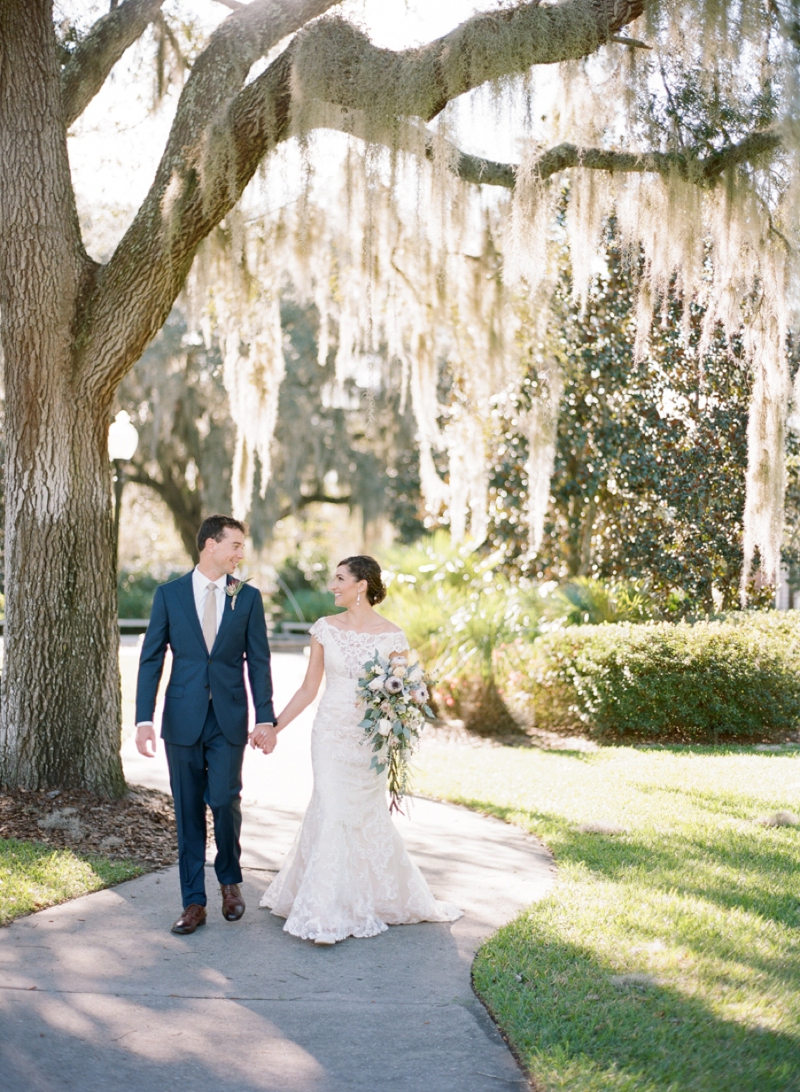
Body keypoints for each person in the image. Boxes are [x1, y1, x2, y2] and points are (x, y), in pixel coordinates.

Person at [253, 555, 462, 945]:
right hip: (330, 735)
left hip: (371, 741)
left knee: (361, 817)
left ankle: (364, 896)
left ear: (361, 584)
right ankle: (325, 914)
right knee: (331, 810)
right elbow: (308, 689)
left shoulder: (392, 636)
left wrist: (394, 715)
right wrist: (274, 726)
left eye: (340, 579)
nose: (333, 586)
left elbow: (403, 694)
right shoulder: (324, 630)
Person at [135, 515, 277, 935]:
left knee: (224, 800)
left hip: (229, 717)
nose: (240, 553)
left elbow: (260, 661)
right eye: (234, 545)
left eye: (242, 547)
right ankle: (193, 902)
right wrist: (144, 718)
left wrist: (265, 717)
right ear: (210, 545)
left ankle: (229, 882)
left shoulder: (247, 597)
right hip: (182, 718)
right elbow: (151, 659)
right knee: (187, 810)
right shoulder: (170, 595)